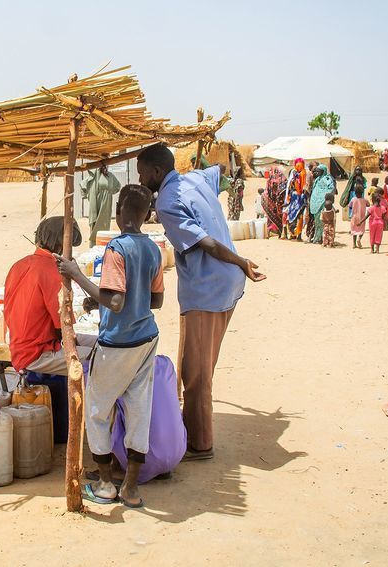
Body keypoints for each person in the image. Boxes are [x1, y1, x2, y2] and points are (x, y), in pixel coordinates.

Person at [137, 144, 266, 461]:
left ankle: (200, 443)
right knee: (195, 360)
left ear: (156, 171)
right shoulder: (195, 178)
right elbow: (217, 170)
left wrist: (241, 261)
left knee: (196, 372)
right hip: (223, 284)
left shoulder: (167, 202)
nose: (140, 179)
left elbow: (205, 243)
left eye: (142, 173)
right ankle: (187, 426)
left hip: (208, 287)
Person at [55, 185, 164, 508]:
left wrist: (76, 274)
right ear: (146, 215)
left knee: (97, 410)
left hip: (119, 343)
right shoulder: (153, 249)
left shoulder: (116, 248)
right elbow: (154, 300)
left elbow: (116, 301)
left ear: (118, 211)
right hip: (146, 339)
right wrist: (100, 300)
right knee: (139, 410)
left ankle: (104, 484)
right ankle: (130, 487)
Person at [4, 216, 96, 375]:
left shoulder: (19, 265)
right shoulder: (52, 270)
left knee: (102, 343)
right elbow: (63, 327)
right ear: (61, 245)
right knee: (102, 358)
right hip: (36, 353)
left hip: (20, 346)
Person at [81, 164, 122, 247]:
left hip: (106, 203)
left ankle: (103, 245)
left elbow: (118, 186)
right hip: (95, 202)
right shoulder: (95, 175)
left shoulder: (110, 176)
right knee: (94, 222)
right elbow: (83, 184)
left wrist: (109, 192)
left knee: (104, 223)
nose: (105, 168)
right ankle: (93, 245)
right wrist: (87, 194)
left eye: (106, 166)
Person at [308, 164, 335, 244]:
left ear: (323, 171)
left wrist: (323, 196)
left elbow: (331, 188)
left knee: (321, 222)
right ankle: (317, 237)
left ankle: (320, 238)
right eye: (316, 171)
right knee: (317, 222)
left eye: (319, 171)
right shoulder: (318, 179)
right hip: (316, 203)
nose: (317, 173)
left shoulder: (327, 179)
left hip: (322, 203)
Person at [283, 158, 307, 241]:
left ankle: (293, 235)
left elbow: (289, 188)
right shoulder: (302, 173)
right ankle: (297, 235)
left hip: (294, 198)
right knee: (298, 216)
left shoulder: (296, 174)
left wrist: (288, 198)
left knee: (293, 216)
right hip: (298, 198)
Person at [262, 167, 286, 237]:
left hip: (274, 203)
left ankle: (271, 233)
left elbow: (267, 192)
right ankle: (278, 233)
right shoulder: (281, 179)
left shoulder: (271, 180)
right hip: (276, 203)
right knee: (277, 218)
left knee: (272, 218)